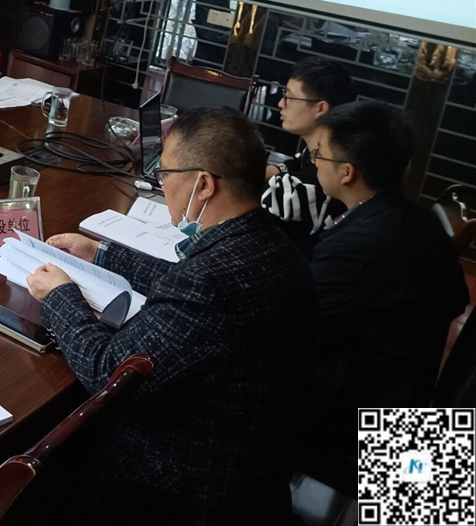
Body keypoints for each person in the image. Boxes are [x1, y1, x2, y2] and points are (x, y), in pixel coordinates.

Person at [26, 106, 314, 525]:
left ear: (203, 184)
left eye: (165, 174)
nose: (162, 185)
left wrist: (59, 296)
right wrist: (101, 253)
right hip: (256, 471)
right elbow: (183, 281)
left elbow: (108, 372)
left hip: (183, 490)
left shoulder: (207, 283)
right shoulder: (274, 245)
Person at [303, 100, 468, 492]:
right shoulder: (419, 220)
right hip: (410, 402)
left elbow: (296, 328)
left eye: (319, 154)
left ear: (347, 172)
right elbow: (456, 299)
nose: (315, 163)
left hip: (356, 423)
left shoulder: (358, 245)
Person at [261, 56, 356, 256]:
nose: (280, 103)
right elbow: (291, 166)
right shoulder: (313, 153)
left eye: (289, 97)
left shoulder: (327, 175)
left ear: (320, 108)